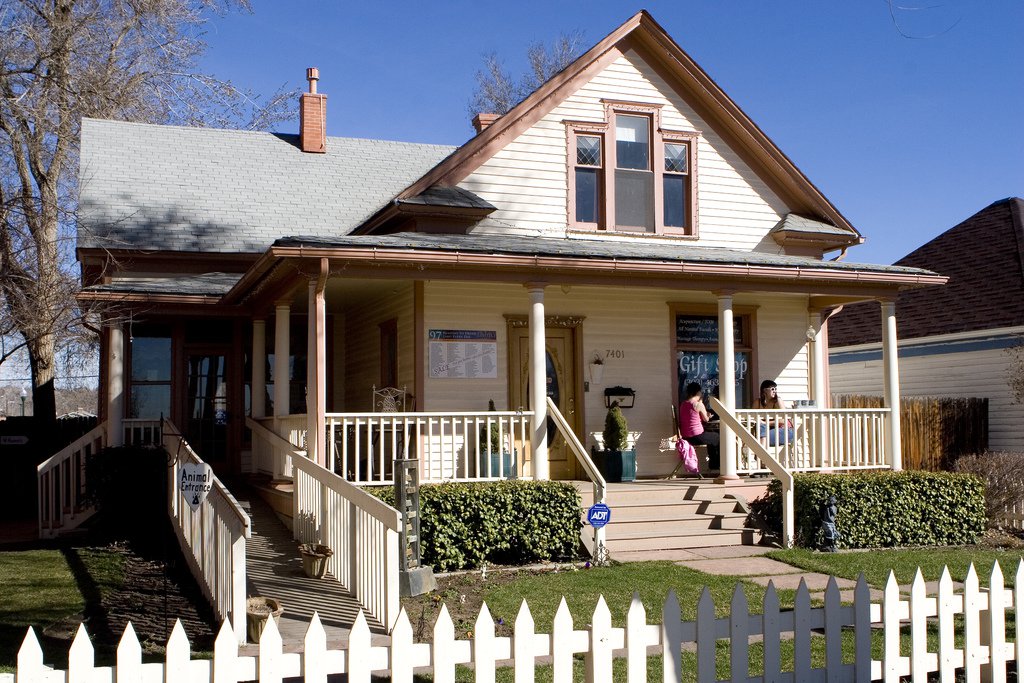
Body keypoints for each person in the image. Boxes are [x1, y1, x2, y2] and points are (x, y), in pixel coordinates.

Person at [678, 382, 720, 470]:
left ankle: (714, 464)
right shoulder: (698, 404)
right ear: (697, 392)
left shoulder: (683, 404)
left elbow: (691, 416)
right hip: (697, 436)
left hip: (686, 437)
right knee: (718, 438)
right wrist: (708, 415)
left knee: (711, 438)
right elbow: (706, 420)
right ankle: (716, 464)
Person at [754, 379, 794, 446]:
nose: (775, 391)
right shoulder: (757, 402)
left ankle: (761, 454)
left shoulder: (778, 401)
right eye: (772, 389)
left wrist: (765, 423)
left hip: (786, 431)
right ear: (765, 390)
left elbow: (783, 420)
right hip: (768, 431)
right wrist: (761, 422)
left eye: (776, 389)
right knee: (760, 432)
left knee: (760, 438)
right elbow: (753, 417)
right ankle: (761, 453)